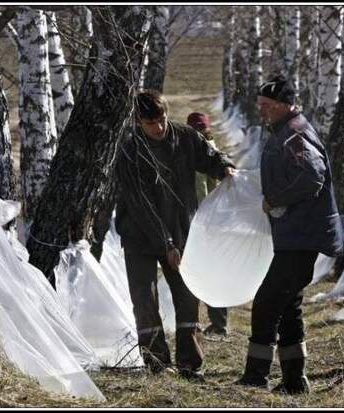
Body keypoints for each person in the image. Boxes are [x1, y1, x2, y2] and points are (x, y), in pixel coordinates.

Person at [115, 91, 235, 382]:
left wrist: (224, 167)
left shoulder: (185, 137)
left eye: (161, 120)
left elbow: (210, 156)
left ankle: (189, 363)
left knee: (187, 295)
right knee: (144, 298)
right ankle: (156, 363)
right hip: (139, 235)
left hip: (182, 228)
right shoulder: (130, 150)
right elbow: (141, 204)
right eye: (150, 123)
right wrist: (165, 243)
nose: (158, 127)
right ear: (137, 121)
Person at [236, 75, 343, 394]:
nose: (262, 111)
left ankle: (256, 377)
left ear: (285, 105)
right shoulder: (288, 131)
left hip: (302, 235)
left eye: (267, 106)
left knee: (268, 302)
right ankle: (295, 382)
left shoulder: (293, 134)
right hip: (297, 235)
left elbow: (312, 177)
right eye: (261, 105)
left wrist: (275, 199)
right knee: (288, 306)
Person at [186, 111, 230, 338]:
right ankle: (216, 323)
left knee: (207, 272)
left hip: (206, 222)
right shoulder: (213, 152)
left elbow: (202, 190)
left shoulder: (203, 153)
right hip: (211, 221)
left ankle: (217, 324)